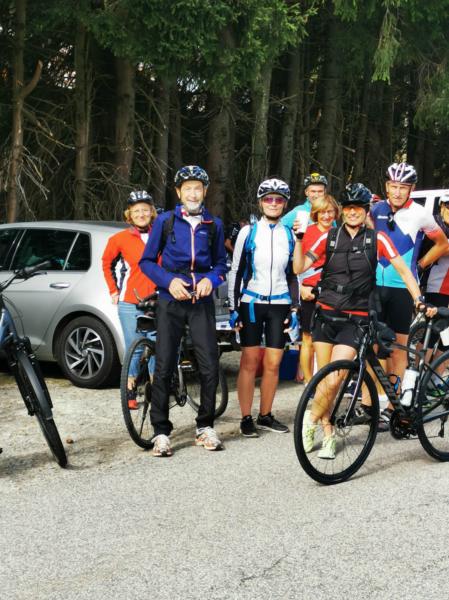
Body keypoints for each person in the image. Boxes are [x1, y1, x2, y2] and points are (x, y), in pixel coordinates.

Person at [295, 183, 434, 459]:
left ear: (365, 211)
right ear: (343, 211)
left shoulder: (377, 239)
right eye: (348, 208)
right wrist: (299, 239)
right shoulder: (329, 238)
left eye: (358, 208)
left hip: (355, 320)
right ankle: (328, 434)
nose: (352, 212)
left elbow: (404, 271)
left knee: (335, 379)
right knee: (324, 382)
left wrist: (418, 299)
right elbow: (299, 267)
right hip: (326, 316)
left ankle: (310, 421)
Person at [139, 165, 227, 457]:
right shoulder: (165, 222)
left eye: (197, 188)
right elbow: (146, 262)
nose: (193, 193)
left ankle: (205, 426)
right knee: (164, 364)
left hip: (200, 301)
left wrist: (211, 279)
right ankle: (161, 431)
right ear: (178, 192)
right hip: (171, 300)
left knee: (209, 364)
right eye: (187, 188)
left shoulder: (214, 225)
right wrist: (169, 281)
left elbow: (221, 264)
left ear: (205, 192)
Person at [371, 162, 449, 411]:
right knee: (373, 347)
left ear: (411, 189)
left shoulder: (420, 213)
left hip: (403, 288)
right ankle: (371, 404)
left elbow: (443, 243)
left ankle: (395, 407)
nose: (397, 192)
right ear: (386, 186)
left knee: (397, 348)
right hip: (374, 286)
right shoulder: (376, 209)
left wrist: (421, 264)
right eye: (393, 186)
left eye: (403, 187)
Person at [228, 178, 300, 438]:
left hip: (280, 304)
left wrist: (294, 308)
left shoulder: (289, 234)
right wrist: (233, 306)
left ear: (284, 204)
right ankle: (246, 418)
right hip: (251, 303)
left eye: (279, 200)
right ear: (260, 203)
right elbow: (236, 270)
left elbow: (293, 274)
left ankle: (266, 415)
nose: (273, 203)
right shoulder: (248, 232)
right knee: (249, 362)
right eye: (268, 199)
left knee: (273, 363)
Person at [102, 190, 157, 409]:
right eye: (136, 211)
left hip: (157, 301)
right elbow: (106, 263)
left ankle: (157, 391)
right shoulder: (119, 239)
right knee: (135, 349)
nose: (141, 214)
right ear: (129, 215)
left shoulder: (160, 236)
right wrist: (113, 290)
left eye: (145, 210)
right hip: (130, 302)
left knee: (157, 347)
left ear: (152, 212)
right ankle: (130, 391)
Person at [297, 194, 340, 385]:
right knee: (308, 338)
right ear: (315, 213)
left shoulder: (340, 233)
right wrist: (300, 288)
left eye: (330, 211)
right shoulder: (306, 232)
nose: (326, 216)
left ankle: (327, 380)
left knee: (330, 339)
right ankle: (309, 383)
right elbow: (295, 264)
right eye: (322, 212)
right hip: (309, 290)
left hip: (332, 292)